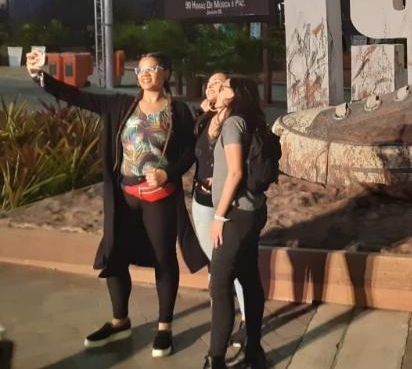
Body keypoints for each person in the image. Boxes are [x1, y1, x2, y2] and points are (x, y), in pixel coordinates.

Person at [25, 51, 208, 358]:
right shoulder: (122, 104)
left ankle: (164, 327)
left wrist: (168, 173)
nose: (145, 74)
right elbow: (76, 96)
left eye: (152, 69)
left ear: (166, 73)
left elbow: (190, 151)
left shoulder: (179, 110)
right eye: (140, 69)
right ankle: (120, 320)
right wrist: (38, 75)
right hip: (125, 195)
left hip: (159, 197)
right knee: (113, 253)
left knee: (164, 258)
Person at [203, 76, 268, 369]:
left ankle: (215, 359)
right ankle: (254, 351)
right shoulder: (251, 120)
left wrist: (218, 216)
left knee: (220, 284)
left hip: (235, 215)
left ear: (238, 93)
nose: (220, 89)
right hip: (253, 210)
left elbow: (235, 174)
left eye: (226, 86)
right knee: (248, 278)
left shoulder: (233, 124)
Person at [191, 72, 249, 349]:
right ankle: (222, 315)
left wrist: (220, 213)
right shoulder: (204, 120)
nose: (214, 86)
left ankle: (246, 321)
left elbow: (236, 168)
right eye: (210, 84)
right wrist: (199, 112)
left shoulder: (236, 122)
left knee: (230, 263)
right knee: (214, 263)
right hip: (201, 200)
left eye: (221, 83)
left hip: (225, 204)